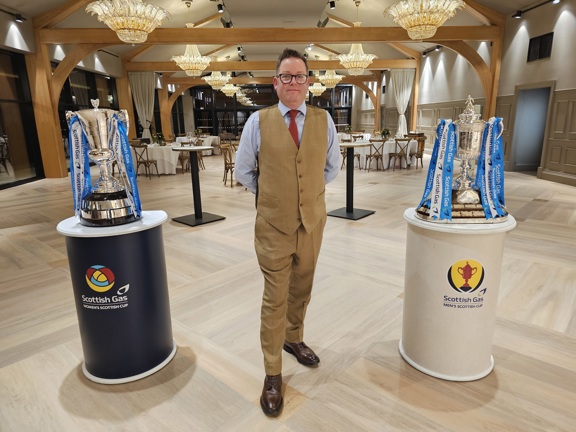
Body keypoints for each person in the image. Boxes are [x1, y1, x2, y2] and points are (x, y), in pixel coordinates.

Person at [235, 48, 340, 417]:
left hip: (312, 224)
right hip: (273, 227)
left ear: (309, 82)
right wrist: (276, 198)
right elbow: (244, 173)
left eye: (300, 76)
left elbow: (331, 168)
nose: (293, 82)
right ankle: (272, 373)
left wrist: (305, 198)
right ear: (275, 83)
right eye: (286, 76)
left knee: (303, 288)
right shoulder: (256, 122)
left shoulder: (324, 120)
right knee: (275, 297)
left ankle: (293, 339)